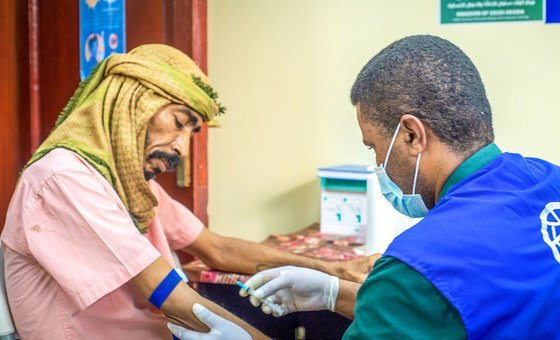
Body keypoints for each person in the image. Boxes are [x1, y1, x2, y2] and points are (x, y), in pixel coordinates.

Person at [171, 35, 560, 339]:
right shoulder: (548, 179)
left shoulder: (420, 265)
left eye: (374, 146)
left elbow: (431, 301)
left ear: (411, 135)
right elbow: (458, 313)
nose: (377, 164)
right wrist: (334, 293)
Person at [0, 44, 375, 339]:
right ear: (132, 103)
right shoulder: (64, 178)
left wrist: (334, 271)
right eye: (179, 122)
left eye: (190, 132)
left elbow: (217, 248)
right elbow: (173, 301)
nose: (181, 148)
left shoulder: (130, 186)